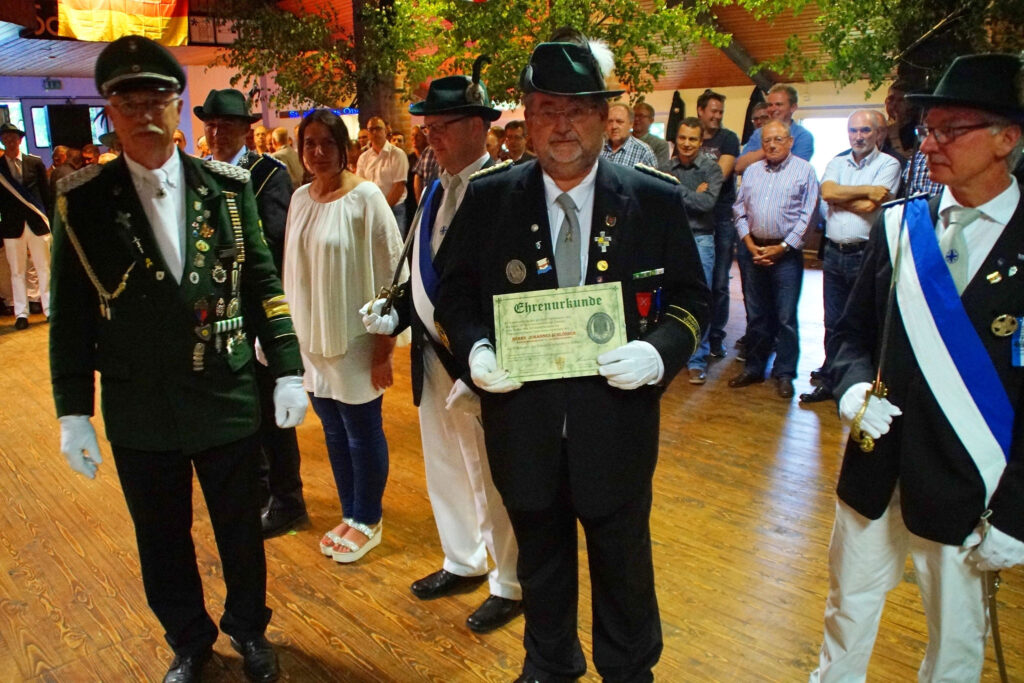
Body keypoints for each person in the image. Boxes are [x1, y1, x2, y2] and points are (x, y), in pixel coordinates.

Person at [434, 28, 708, 682]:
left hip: (615, 422)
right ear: (527, 118)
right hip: (523, 422)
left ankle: (629, 668)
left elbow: (693, 298)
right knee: (540, 560)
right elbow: (455, 294)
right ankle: (549, 664)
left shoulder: (652, 199)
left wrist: (659, 352)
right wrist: (474, 349)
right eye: (547, 109)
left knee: (624, 563)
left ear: (604, 116)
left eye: (578, 109)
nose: (562, 125)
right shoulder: (490, 199)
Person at [49, 35, 307, 683]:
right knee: (161, 536)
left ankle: (249, 627)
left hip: (224, 391)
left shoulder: (226, 188)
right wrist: (73, 410)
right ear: (110, 112)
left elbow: (262, 284)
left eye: (157, 100)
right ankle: (189, 639)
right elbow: (72, 317)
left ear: (176, 107)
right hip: (140, 402)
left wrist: (288, 366)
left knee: (240, 529)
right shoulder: (85, 201)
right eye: (128, 102)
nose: (144, 114)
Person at [809, 53, 1024, 682]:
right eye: (928, 129)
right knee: (846, 613)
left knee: (956, 643)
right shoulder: (902, 225)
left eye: (950, 130)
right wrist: (852, 388)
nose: (929, 144)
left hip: (969, 485)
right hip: (875, 467)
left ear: (1007, 138)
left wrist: (1018, 510)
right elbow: (851, 332)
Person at [361, 57, 523, 634]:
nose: (433, 136)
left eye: (445, 125)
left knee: (492, 474)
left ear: (479, 126)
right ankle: (463, 558)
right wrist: (397, 313)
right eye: (428, 127)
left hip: (479, 359)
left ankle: (511, 580)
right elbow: (426, 273)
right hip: (430, 354)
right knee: (445, 465)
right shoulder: (432, 191)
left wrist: (488, 354)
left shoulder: (506, 189)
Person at [284, 109, 403, 564]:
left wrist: (384, 349)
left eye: (327, 143)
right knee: (333, 431)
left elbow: (392, 275)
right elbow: (291, 270)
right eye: (309, 143)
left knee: (361, 430)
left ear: (344, 148)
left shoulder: (366, 197)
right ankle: (350, 512)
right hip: (312, 338)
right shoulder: (300, 198)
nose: (317, 152)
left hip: (355, 339)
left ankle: (368, 519)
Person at [195, 88, 306, 538]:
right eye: (210, 125)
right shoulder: (200, 174)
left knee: (273, 414)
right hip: (218, 313)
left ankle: (287, 498)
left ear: (246, 130)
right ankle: (257, 491)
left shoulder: (267, 174)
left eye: (225, 125)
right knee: (240, 410)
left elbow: (274, 240)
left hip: (258, 308)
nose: (216, 133)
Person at [800, 111, 900, 404]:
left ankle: (857, 385)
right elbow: (828, 192)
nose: (858, 136)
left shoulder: (889, 164)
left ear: (878, 133)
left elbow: (872, 207)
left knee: (862, 323)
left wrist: (840, 197)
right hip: (833, 253)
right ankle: (830, 381)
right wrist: (866, 190)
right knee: (833, 322)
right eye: (853, 130)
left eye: (865, 130)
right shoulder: (837, 162)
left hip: (865, 255)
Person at [729, 120, 819, 399]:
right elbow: (739, 209)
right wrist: (749, 243)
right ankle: (754, 368)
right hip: (753, 250)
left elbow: (808, 215)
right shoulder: (753, 171)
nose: (771, 145)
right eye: (767, 140)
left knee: (785, 317)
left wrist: (782, 247)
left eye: (778, 139)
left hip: (786, 255)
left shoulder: (805, 171)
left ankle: (784, 373)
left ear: (790, 142)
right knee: (756, 315)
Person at [662, 116, 723, 385]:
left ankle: (697, 360)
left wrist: (674, 189)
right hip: (670, 238)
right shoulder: (665, 167)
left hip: (701, 240)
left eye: (693, 139)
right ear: (676, 139)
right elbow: (659, 202)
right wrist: (691, 193)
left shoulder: (712, 169)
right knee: (669, 298)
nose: (687, 143)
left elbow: (706, 203)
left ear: (701, 142)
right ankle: (670, 355)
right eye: (682, 138)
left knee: (700, 300)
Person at [697, 89, 741, 359]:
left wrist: (694, 184)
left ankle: (715, 336)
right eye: (713, 111)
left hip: (722, 218)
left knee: (720, 282)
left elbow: (720, 175)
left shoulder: (729, 138)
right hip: (694, 219)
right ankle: (695, 336)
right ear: (700, 111)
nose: (717, 116)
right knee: (697, 281)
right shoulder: (691, 134)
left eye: (720, 112)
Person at [0, 121, 51, 330]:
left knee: (43, 268)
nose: (10, 141)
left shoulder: (35, 162)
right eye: (5, 138)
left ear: (20, 140)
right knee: (17, 271)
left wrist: (51, 221)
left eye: (13, 137)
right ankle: (21, 313)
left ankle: (49, 309)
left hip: (37, 223)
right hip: (12, 226)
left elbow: (46, 194)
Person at [735, 84, 814, 174]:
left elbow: (796, 170)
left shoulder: (803, 136)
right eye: (770, 105)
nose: (773, 109)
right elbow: (739, 167)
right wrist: (770, 148)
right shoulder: (758, 133)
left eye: (778, 104)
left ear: (793, 107)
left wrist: (756, 156)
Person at [356, 116, 410, 235]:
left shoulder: (397, 154)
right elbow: (360, 185)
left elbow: (399, 186)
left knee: (396, 244)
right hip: (371, 211)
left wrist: (382, 208)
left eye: (378, 128)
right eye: (371, 129)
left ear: (385, 131)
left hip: (394, 209)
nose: (375, 132)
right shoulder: (364, 158)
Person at [600, 102, 657, 167]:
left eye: (619, 122)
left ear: (631, 124)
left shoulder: (643, 152)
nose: (614, 126)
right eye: (610, 122)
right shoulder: (598, 147)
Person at [632, 101, 670, 167]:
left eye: (641, 116)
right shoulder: (623, 140)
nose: (636, 119)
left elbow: (659, 169)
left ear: (651, 120)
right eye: (634, 116)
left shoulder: (660, 145)